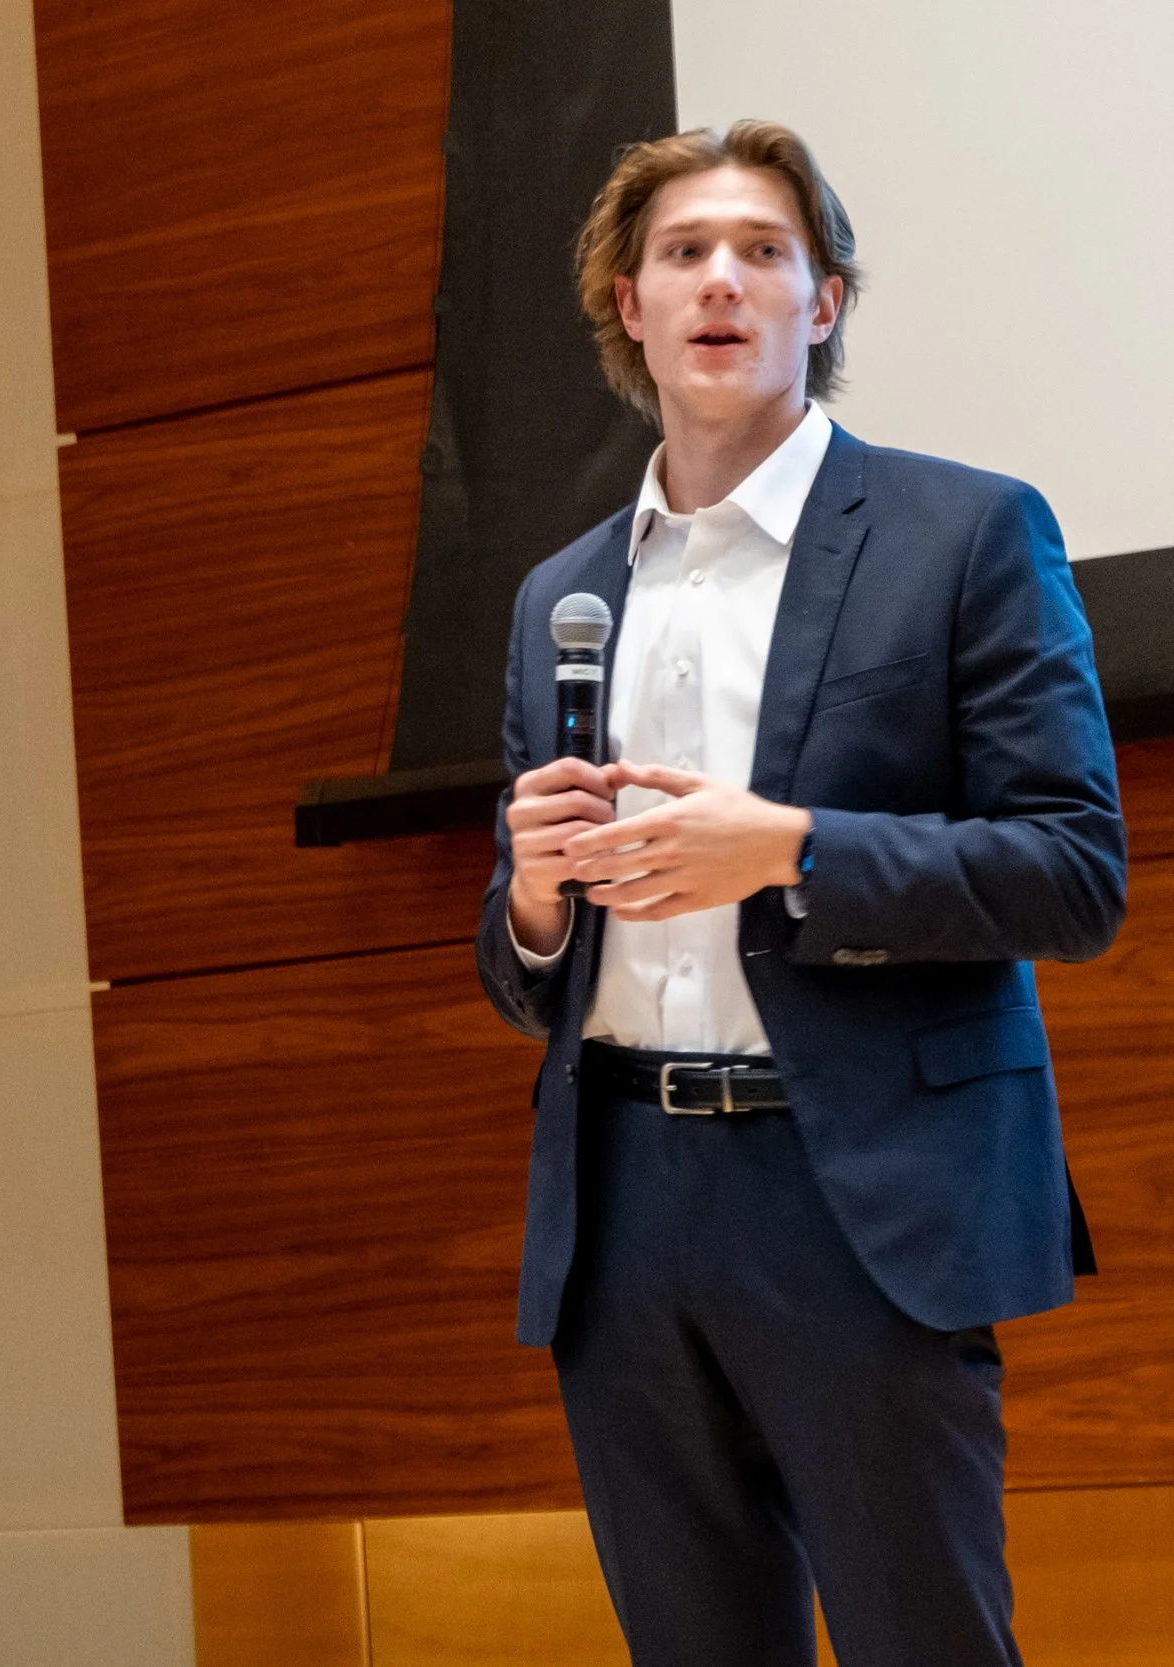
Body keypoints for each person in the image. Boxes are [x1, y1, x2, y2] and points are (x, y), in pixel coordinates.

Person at [478, 121, 1124, 1666]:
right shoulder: (561, 594)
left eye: (763, 251)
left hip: (858, 1196)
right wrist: (538, 899)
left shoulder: (963, 532)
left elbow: (1073, 871)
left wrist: (792, 850)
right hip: (623, 1210)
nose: (722, 279)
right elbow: (522, 963)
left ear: (822, 303)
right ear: (628, 305)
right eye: (683, 252)